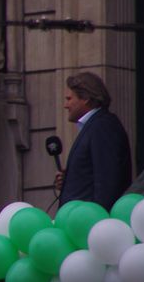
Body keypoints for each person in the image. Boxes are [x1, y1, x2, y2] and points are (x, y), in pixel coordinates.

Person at [55, 72, 132, 209]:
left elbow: (107, 181)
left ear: (85, 98)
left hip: (91, 219)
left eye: (69, 99)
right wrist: (70, 180)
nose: (66, 105)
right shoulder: (95, 126)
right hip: (80, 216)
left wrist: (99, 217)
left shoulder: (103, 126)